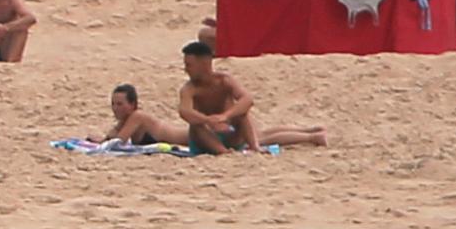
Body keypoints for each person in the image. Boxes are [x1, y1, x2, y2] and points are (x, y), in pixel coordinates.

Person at [97, 84, 327, 150]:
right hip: (190, 136)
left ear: (133, 104)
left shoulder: (137, 117)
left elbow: (118, 142)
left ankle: (311, 137)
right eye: (113, 104)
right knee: (261, 134)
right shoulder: (127, 120)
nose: (116, 108)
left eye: (120, 104)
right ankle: (309, 132)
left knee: (261, 138)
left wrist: (100, 140)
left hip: (192, 137)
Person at [179, 41, 261, 156]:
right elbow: (184, 111)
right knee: (196, 125)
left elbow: (247, 99)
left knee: (243, 114)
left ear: (204, 63)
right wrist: (207, 120)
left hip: (229, 131)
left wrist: (226, 116)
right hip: (206, 137)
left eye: (189, 65)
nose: (186, 70)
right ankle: (224, 152)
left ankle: (255, 147)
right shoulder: (190, 89)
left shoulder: (224, 81)